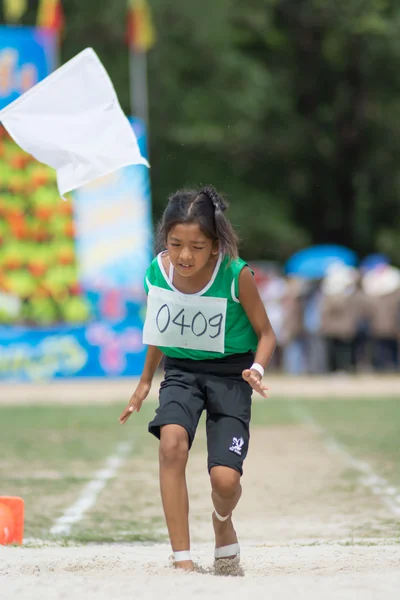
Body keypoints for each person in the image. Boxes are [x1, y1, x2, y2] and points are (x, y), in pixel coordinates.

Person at [119, 186, 276, 572]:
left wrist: (256, 369)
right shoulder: (157, 272)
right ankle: (183, 561)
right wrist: (143, 383)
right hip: (182, 371)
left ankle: (222, 522)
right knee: (171, 443)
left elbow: (267, 334)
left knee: (225, 481)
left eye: (197, 246)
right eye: (176, 244)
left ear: (216, 244)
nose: (185, 256)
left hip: (231, 374)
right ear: (165, 240)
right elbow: (161, 330)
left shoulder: (237, 276)